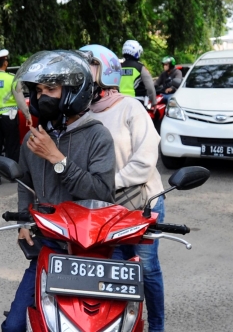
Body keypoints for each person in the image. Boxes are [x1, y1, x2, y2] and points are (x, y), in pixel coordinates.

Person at [1, 50, 116, 332]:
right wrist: (23, 223)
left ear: (74, 91)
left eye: (50, 89)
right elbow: (24, 181)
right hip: (48, 248)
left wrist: (58, 160)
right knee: (14, 326)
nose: (42, 97)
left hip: (88, 254)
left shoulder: (97, 136)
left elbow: (102, 193)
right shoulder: (35, 138)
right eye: (39, 91)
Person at [81, 44, 167, 332]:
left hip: (143, 203)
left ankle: (156, 325)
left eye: (88, 68)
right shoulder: (82, 116)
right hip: (106, 210)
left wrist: (107, 183)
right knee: (114, 273)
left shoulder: (130, 106)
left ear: (105, 73)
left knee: (146, 268)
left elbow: (145, 159)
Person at [0, 49, 32, 185]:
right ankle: (13, 175)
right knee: (12, 146)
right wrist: (27, 115)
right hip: (9, 118)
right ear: (5, 63)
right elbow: (20, 100)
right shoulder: (12, 79)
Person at [120, 40, 157, 107]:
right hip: (136, 102)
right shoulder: (140, 68)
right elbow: (150, 87)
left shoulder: (118, 67)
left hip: (119, 101)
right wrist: (154, 102)